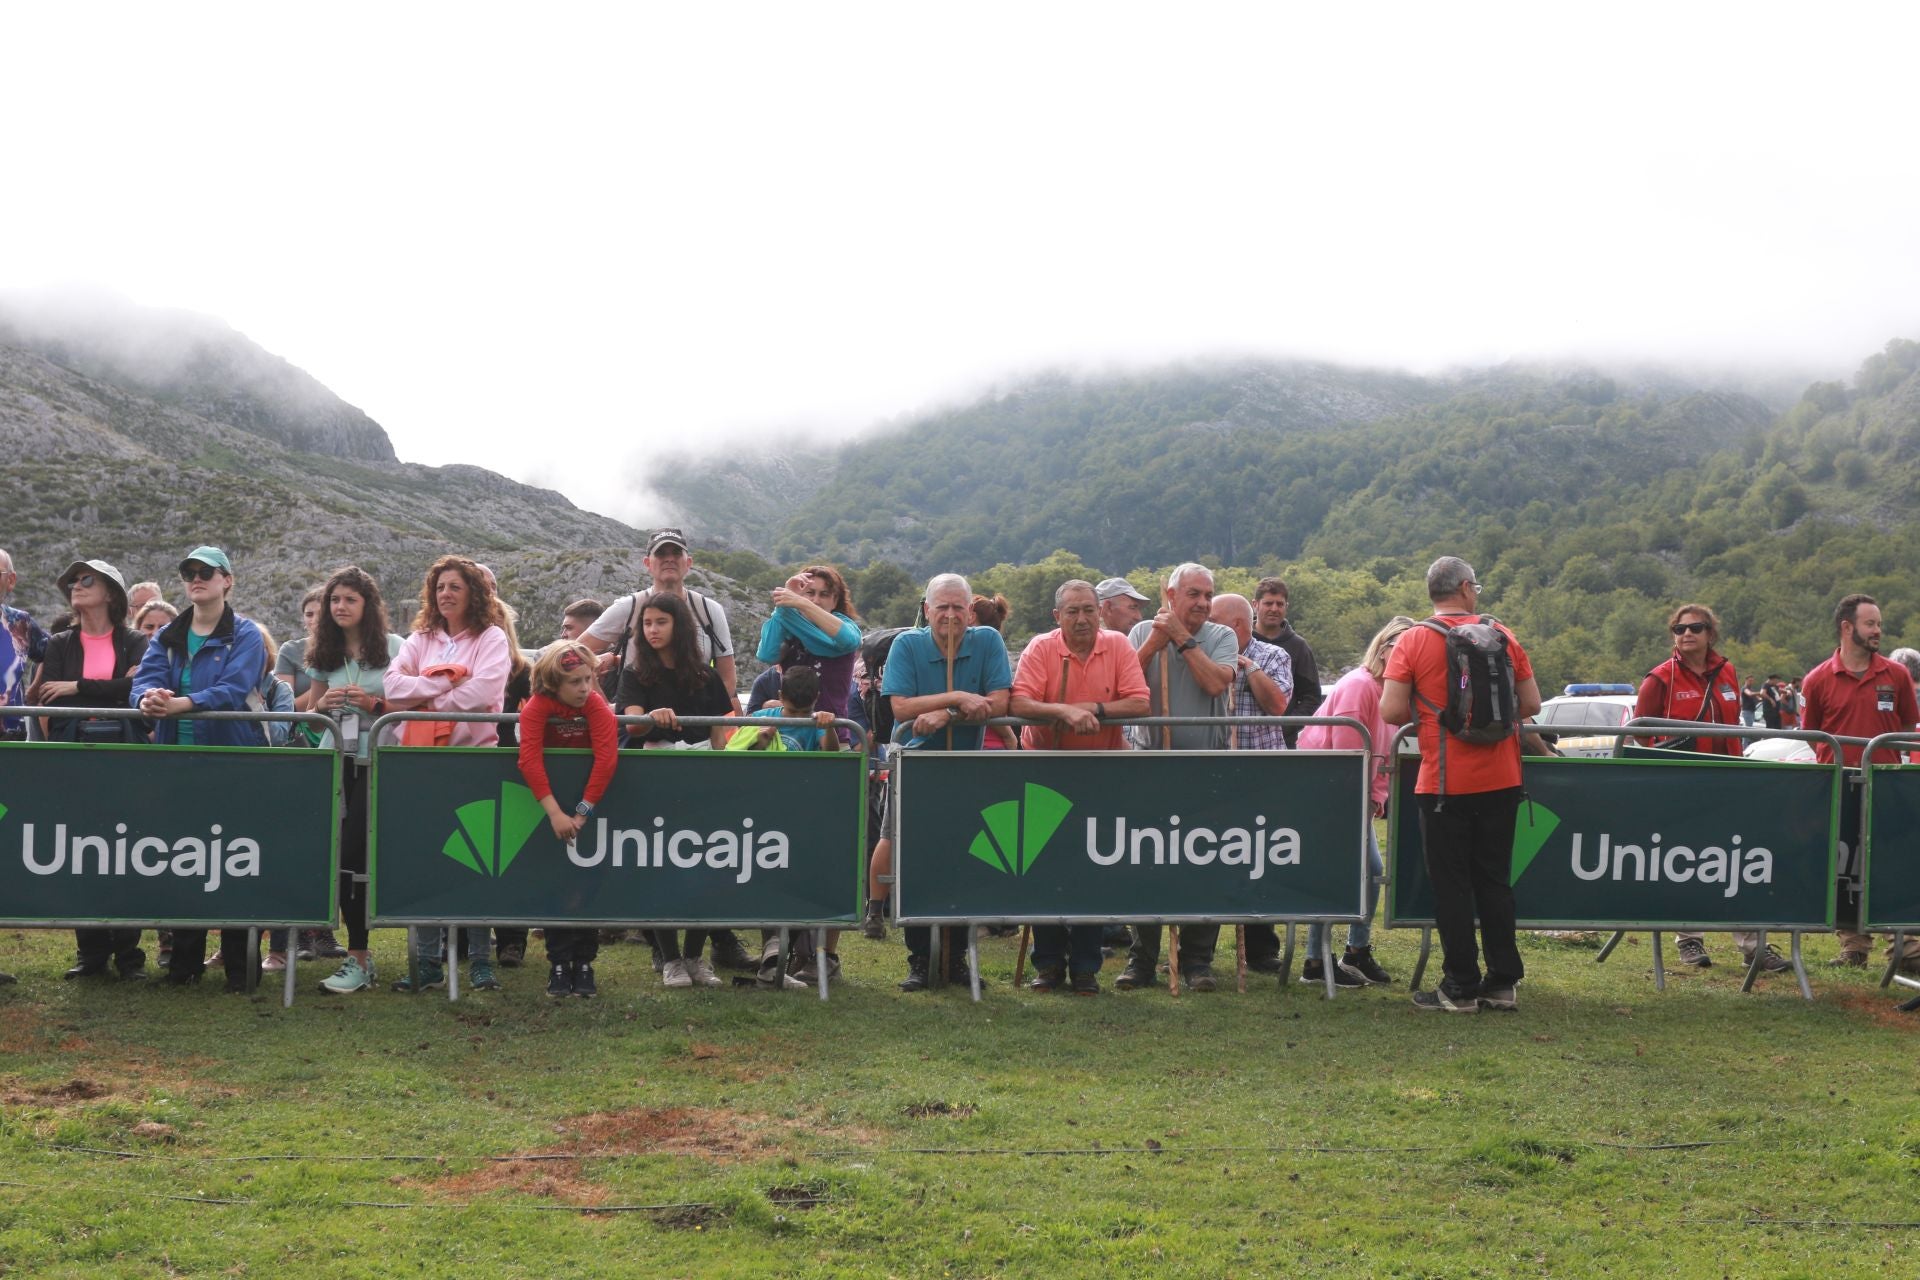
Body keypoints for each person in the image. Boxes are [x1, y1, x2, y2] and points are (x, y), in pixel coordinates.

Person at [1381, 556, 1542, 1013]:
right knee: (1494, 881)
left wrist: (1430, 709)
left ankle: (1460, 986)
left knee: (1451, 887)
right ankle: (1503, 983)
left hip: (1444, 783)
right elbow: (1529, 702)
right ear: (1467, 589)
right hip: (1504, 779)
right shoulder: (1503, 635)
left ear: (1432, 592)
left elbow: (1391, 712)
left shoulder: (1412, 640)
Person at [131, 546, 270, 990]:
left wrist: (180, 703)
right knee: (182, 861)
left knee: (238, 863)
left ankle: (241, 968)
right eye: (188, 572)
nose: (196, 578)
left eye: (206, 572)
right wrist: (148, 700)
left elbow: (234, 688)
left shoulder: (245, 634)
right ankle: (183, 966)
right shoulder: (168, 634)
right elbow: (145, 681)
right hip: (178, 765)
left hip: (232, 765)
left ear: (227, 580)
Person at [872, 573, 1013, 991]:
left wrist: (946, 716)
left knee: (966, 864)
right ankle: (920, 959)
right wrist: (954, 699)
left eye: (958, 607)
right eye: (942, 607)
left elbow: (1000, 700)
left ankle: (959, 961)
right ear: (927, 610)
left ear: (970, 612)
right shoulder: (907, 645)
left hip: (968, 769)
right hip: (918, 768)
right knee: (917, 863)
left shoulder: (987, 641)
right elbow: (900, 708)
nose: (950, 615)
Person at [1009, 579, 1150, 994]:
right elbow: (1019, 702)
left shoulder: (1120, 646)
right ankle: (1048, 964)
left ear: (1100, 612)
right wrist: (1062, 712)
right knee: (1042, 865)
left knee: (1093, 866)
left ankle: (1086, 967)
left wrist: (1095, 709)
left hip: (1100, 772)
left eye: (1089, 609)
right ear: (1058, 617)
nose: (1083, 618)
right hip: (1044, 769)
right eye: (1073, 611)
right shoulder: (1040, 647)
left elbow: (1140, 702)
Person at [383, 555, 514, 993]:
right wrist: (447, 683)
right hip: (420, 764)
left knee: (475, 860)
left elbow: (486, 692)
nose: (446, 594)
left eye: (455, 586)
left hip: (472, 762)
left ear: (473, 592)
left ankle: (480, 961)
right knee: (426, 861)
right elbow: (393, 687)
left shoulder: (491, 637)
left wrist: (425, 701)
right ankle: (427, 963)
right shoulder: (420, 638)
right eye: (439, 587)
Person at [1633, 604, 1785, 973]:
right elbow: (1637, 731)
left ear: (1710, 634)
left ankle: (1753, 946)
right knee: (1686, 863)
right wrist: (1664, 762)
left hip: (1732, 781)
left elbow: (1733, 722)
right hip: (1683, 787)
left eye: (1696, 627)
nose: (1687, 634)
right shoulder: (1660, 678)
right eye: (1679, 628)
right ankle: (1688, 940)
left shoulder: (1727, 671)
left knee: (1741, 863)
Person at [1118, 563, 1239, 992]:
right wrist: (1156, 639)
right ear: (1171, 595)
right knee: (1144, 862)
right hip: (1149, 766)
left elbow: (1214, 684)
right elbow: (1122, 682)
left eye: (1208, 595)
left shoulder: (1222, 636)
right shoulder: (1139, 634)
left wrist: (1184, 641)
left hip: (1206, 768)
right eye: (1194, 594)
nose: (1204, 603)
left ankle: (1197, 963)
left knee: (1206, 861)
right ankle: (1143, 960)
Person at [30, 559, 150, 980]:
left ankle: (129, 955)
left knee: (127, 849)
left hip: (126, 757)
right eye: (71, 583)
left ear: (112, 593)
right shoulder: (61, 643)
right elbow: (50, 695)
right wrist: (111, 690)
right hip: (75, 756)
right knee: (83, 850)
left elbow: (138, 689)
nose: (75, 587)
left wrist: (79, 687)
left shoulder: (134, 640)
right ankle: (91, 954)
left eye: (86, 580)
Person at [295, 566, 409, 995]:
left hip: (379, 762)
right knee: (342, 854)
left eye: (349, 600)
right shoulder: (323, 651)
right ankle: (357, 956)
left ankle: (369, 956)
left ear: (368, 606)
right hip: (336, 761)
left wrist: (374, 703)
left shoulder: (397, 647)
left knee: (364, 855)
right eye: (334, 600)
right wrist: (323, 702)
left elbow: (411, 705)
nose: (339, 607)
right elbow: (307, 715)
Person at [616, 591, 734, 988]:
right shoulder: (634, 673)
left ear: (679, 626)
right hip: (657, 774)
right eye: (647, 623)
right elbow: (631, 724)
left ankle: (696, 958)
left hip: (703, 773)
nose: (652, 629)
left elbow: (719, 729)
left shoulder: (706, 674)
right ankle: (669, 959)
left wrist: (722, 770)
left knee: (706, 862)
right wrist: (651, 718)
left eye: (660, 622)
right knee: (660, 863)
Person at [1799, 593, 1920, 970]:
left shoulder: (1896, 674)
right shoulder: (1817, 679)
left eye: (1879, 624)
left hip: (1884, 785)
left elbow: (1904, 725)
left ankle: (1907, 948)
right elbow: (1811, 733)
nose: (1878, 630)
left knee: (1892, 863)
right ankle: (1853, 946)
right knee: (1844, 864)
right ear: (1847, 627)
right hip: (1838, 785)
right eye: (1871, 624)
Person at [1299, 617, 1416, 988]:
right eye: (1400, 649)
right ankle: (1320, 960)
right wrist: (1361, 801)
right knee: (1353, 871)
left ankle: (1346, 954)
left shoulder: (1391, 693)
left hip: (1353, 796)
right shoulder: (1359, 687)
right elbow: (1348, 752)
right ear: (1384, 650)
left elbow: (1383, 752)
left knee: (1361, 872)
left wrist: (1374, 798)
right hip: (1329, 793)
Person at [517, 640, 619, 999]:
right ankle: (558, 963)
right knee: (555, 884)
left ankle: (585, 962)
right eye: (575, 682)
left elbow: (607, 758)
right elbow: (528, 759)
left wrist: (582, 811)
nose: (585, 688)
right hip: (551, 809)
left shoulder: (594, 704)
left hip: (587, 809)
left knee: (588, 882)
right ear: (552, 683)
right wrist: (555, 814)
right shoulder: (538, 706)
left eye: (588, 679)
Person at [732, 665, 843, 988]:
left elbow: (834, 761)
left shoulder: (818, 723)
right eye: (792, 711)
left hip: (803, 822)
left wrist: (829, 728)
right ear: (779, 698)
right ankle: (771, 954)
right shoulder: (758, 722)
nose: (798, 716)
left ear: (817, 700)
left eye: (804, 711)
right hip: (761, 822)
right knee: (771, 885)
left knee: (798, 887)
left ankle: (777, 960)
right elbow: (731, 764)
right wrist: (763, 739)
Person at [1209, 592, 1297, 976]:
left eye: (1215, 622)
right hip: (1213, 773)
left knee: (1258, 857)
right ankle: (1200, 953)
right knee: (1207, 856)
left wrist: (1248, 669)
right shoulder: (1203, 652)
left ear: (1235, 626)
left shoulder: (1274, 656)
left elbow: (1279, 706)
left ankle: (1261, 950)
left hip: (1260, 774)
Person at [583, 527, 737, 700]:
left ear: (689, 563)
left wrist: (706, 717)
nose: (669, 559)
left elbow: (728, 678)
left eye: (677, 553)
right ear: (647, 563)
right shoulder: (629, 607)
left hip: (696, 721)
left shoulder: (709, 610)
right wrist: (603, 706)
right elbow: (572, 651)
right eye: (661, 553)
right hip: (640, 722)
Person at [755, 565, 862, 738]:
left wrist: (802, 604)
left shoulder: (844, 626)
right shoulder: (788, 626)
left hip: (831, 735)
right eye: (810, 593)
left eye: (824, 594)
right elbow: (767, 654)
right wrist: (783, 607)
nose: (816, 600)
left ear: (835, 601)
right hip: (788, 735)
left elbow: (849, 640)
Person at [1253, 576, 1324, 748]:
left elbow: (1311, 698)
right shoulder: (1240, 641)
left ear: (1287, 607)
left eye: (1280, 604)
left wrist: (1285, 726)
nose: (1274, 609)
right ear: (1255, 605)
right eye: (1268, 603)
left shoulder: (1298, 647)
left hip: (1284, 744)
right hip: (1242, 739)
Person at [1, 547, 52, 742]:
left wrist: (35, 689)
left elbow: (55, 652)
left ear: (11, 581)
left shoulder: (19, 622)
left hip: (10, 738)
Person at [275, 586, 325, 710]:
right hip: (302, 726)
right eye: (309, 614)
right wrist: (327, 685)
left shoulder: (351, 647)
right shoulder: (290, 650)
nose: (315, 620)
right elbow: (284, 706)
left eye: (322, 614)